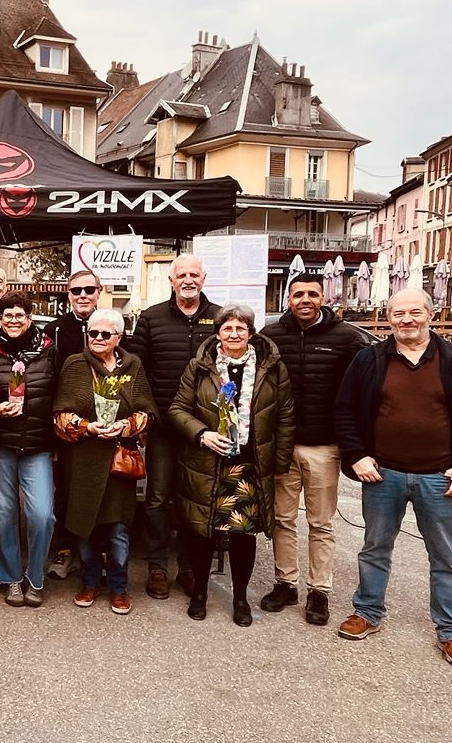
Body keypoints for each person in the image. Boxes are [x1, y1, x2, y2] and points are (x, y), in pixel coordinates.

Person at [333, 289, 452, 670]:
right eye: (398, 313)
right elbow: (345, 411)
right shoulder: (369, 360)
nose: (407, 320)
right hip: (382, 474)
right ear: (388, 318)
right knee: (374, 548)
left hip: (440, 477)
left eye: (415, 312)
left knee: (446, 557)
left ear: (430, 315)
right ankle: (368, 612)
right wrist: (357, 456)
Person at [169, 306, 294, 624]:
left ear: (251, 333)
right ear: (218, 333)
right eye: (228, 329)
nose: (234, 334)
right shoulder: (200, 368)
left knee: (243, 535)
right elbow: (178, 409)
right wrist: (203, 434)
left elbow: (285, 417)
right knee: (202, 533)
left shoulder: (271, 368)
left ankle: (240, 598)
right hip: (207, 463)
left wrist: (278, 463)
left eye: (241, 329)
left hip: (249, 466)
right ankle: (200, 593)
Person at [259, 271, 369, 625]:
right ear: (288, 299)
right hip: (282, 445)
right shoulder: (270, 335)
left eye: (312, 294)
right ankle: (285, 583)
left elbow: (360, 393)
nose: (305, 300)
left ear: (324, 298)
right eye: (298, 294)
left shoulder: (346, 338)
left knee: (321, 522)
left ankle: (319, 590)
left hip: (324, 446)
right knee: (282, 519)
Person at [125, 254, 219, 600]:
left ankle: (189, 568)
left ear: (203, 279)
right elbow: (138, 371)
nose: (188, 280)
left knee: (196, 499)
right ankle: (157, 568)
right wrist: (146, 416)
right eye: (182, 275)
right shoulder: (151, 318)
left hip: (205, 430)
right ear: (171, 279)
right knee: (158, 498)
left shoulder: (220, 317)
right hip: (164, 426)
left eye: (194, 274)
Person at [53, 306, 156, 615]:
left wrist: (124, 426)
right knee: (85, 525)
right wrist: (87, 427)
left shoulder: (132, 365)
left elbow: (145, 410)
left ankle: (119, 587)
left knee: (118, 528)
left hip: (117, 459)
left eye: (104, 334)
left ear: (119, 337)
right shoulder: (74, 364)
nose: (97, 338)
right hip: (83, 458)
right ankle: (89, 581)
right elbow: (60, 414)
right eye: (92, 333)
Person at [0, 292, 56, 607]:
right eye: (7, 316)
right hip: (1, 443)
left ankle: (35, 577)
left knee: (42, 514)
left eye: (20, 315)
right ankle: (11, 576)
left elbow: (60, 392)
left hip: (38, 444)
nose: (13, 321)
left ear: (30, 318)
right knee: (2, 514)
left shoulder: (48, 350)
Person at [44, 268, 103, 577]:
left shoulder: (111, 327)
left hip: (104, 428)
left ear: (99, 292)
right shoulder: (53, 331)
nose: (83, 295)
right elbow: (45, 382)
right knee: (64, 491)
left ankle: (96, 555)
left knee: (100, 492)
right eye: (77, 290)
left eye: (89, 290)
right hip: (66, 428)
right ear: (68, 295)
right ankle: (65, 550)